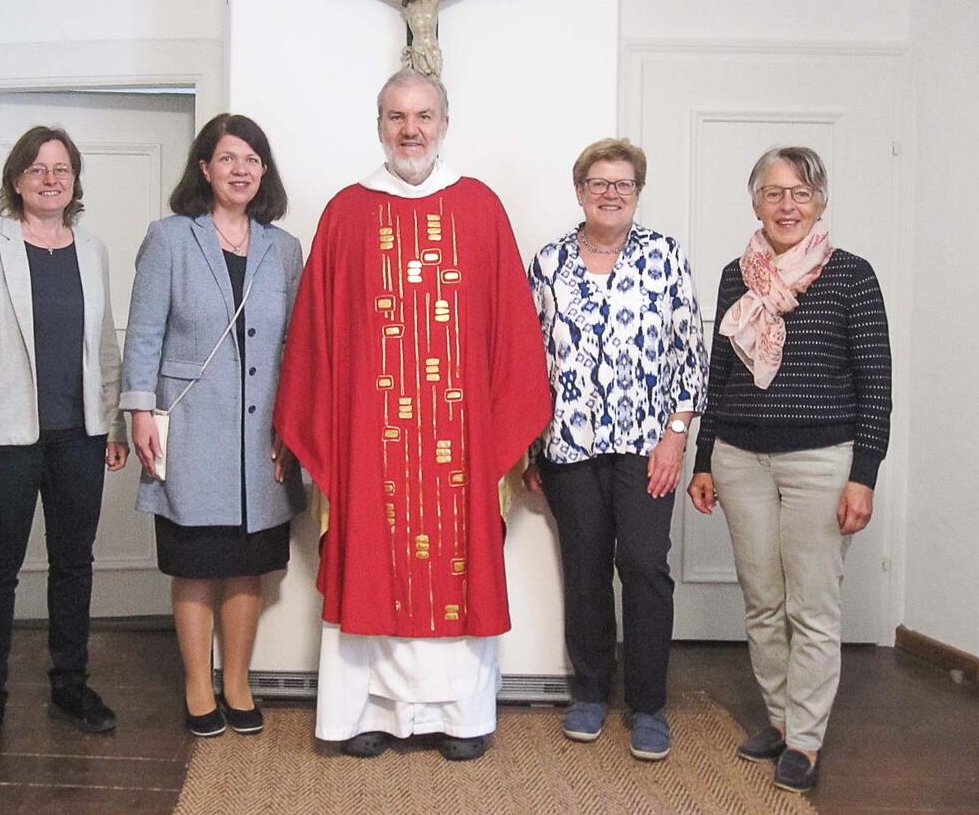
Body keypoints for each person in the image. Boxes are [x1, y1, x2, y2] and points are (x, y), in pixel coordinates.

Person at [275, 69, 550, 761]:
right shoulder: (346, 213)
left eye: (424, 115)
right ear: (379, 126)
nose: (411, 130)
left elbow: (512, 331)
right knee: (372, 560)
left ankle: (460, 717)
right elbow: (315, 336)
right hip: (371, 442)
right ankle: (363, 713)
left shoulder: (480, 209)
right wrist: (317, 425)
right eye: (397, 116)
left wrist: (503, 426)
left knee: (456, 567)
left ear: (445, 123)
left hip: (461, 440)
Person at [687, 146, 891, 793]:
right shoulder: (736, 276)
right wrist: (704, 458)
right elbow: (719, 375)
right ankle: (779, 718)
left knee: (812, 605)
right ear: (756, 203)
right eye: (774, 193)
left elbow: (876, 384)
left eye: (800, 193)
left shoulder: (851, 275)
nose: (787, 206)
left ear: (820, 202)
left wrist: (864, 474)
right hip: (739, 459)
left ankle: (805, 737)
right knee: (762, 600)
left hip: (820, 463)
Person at [0, 125, 129, 756]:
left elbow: (104, 345)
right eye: (38, 169)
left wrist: (113, 422)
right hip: (5, 438)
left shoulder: (92, 250)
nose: (51, 180)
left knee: (75, 563)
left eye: (62, 169)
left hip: (80, 436)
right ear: (17, 180)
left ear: (74, 180)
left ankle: (70, 685)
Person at [119, 114, 303, 738]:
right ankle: (199, 686)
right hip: (191, 425)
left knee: (248, 561)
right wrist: (139, 411)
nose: (240, 170)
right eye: (228, 158)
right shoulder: (170, 238)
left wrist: (293, 423)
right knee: (196, 561)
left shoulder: (284, 249)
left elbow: (296, 345)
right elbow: (144, 332)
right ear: (205, 168)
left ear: (264, 171)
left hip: (263, 434)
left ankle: (238, 682)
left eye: (252, 159)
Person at [525, 138, 708, 761]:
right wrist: (533, 450)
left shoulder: (664, 256)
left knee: (644, 565)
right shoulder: (548, 263)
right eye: (598, 183)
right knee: (584, 569)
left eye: (623, 184)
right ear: (580, 191)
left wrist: (676, 436)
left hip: (647, 445)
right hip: (569, 446)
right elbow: (531, 362)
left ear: (637, 192)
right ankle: (591, 691)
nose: (611, 193)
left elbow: (689, 353)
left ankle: (649, 704)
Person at [345, 0, 496, 77]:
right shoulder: (407, 6)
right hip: (418, 50)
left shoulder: (434, 1)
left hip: (433, 50)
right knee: (421, 87)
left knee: (435, 86)